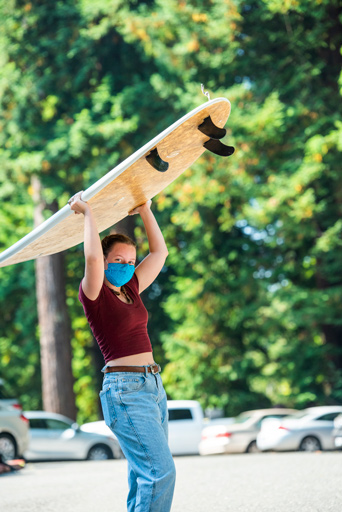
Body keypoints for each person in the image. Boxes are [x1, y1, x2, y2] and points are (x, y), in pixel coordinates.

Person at [68, 192, 176, 512]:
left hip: (153, 387)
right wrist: (88, 214)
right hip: (125, 390)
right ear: (105, 260)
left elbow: (160, 252)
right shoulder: (94, 293)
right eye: (118, 260)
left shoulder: (132, 289)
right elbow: (91, 260)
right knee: (160, 474)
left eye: (130, 261)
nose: (127, 266)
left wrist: (145, 210)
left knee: (142, 475)